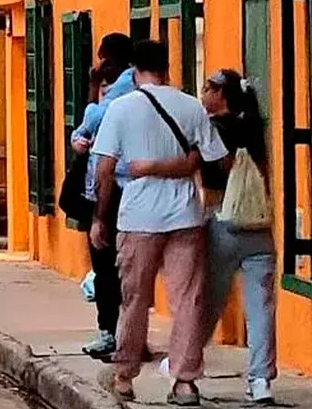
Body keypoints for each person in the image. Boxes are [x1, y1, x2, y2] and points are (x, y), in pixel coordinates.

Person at [91, 40, 227, 405]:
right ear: (168, 69)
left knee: (134, 299)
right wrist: (185, 164)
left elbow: (104, 169)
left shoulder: (120, 109)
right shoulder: (190, 106)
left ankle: (124, 375)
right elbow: (216, 158)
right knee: (188, 300)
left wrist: (100, 218)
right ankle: (184, 381)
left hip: (137, 216)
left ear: (134, 72)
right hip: (185, 214)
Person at [195, 68, 277, 405]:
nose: (202, 94)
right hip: (259, 227)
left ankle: (187, 361)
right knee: (261, 310)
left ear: (220, 93)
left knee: (208, 303)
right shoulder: (255, 128)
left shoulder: (215, 130)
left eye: (207, 88)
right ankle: (261, 381)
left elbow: (208, 175)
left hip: (223, 223)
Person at [71, 33, 136, 359]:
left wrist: (93, 87)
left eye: (103, 60)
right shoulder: (125, 85)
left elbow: (94, 119)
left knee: (108, 264)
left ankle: (113, 333)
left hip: (114, 187)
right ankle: (118, 332)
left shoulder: (125, 86)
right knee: (115, 267)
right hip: (116, 185)